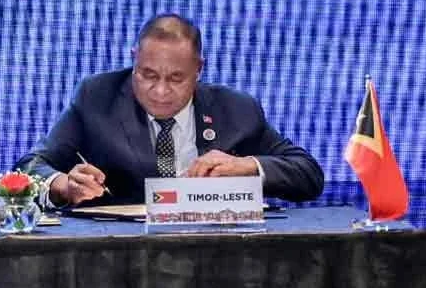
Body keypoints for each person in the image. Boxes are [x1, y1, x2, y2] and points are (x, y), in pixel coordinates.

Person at [16, 14, 324, 206]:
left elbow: (308, 174)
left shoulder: (237, 109)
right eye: (148, 75)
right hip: (125, 258)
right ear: (134, 59)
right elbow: (30, 166)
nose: (161, 91)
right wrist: (62, 186)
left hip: (217, 258)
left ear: (199, 69)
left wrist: (247, 166)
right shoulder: (98, 97)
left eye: (176, 78)